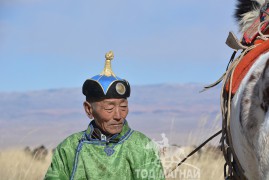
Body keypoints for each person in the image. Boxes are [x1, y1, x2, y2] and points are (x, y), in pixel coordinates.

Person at [44, 51, 165, 180]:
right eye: (109, 108)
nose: (119, 115)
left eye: (123, 107)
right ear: (89, 109)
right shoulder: (69, 148)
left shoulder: (142, 146)